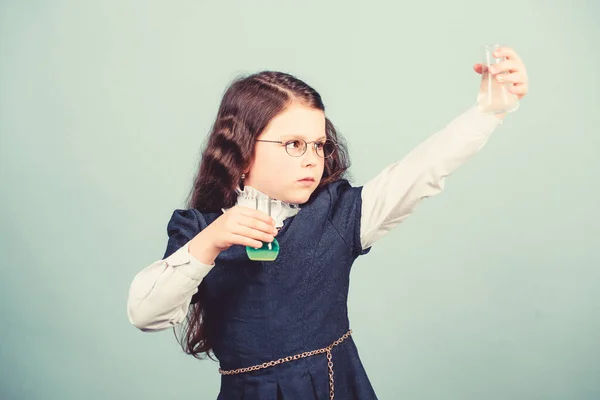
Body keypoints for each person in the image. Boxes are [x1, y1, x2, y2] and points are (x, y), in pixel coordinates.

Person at [127, 46, 529, 400]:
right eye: (294, 144)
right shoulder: (198, 230)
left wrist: (487, 113)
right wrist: (210, 243)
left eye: (318, 145)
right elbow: (145, 314)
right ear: (243, 152)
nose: (311, 158)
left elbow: (419, 171)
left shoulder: (338, 214)